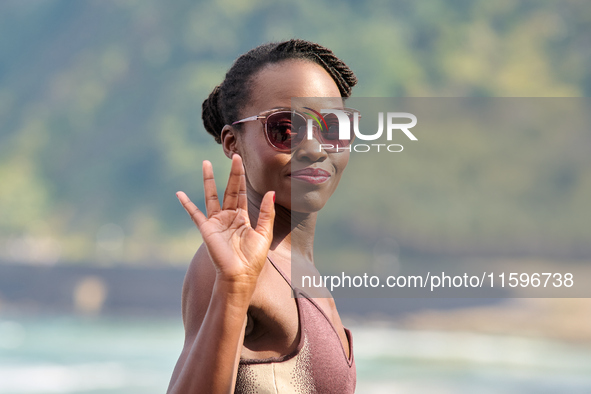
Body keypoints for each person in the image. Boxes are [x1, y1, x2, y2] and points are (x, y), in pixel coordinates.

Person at [166, 39, 358, 394]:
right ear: (231, 142)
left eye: (333, 128)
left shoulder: (297, 267)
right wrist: (234, 286)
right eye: (286, 129)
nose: (315, 149)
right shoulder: (231, 268)